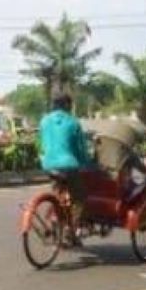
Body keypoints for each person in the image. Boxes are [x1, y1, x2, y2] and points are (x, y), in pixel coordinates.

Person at [38, 92, 90, 245]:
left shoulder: (44, 121)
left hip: (48, 164)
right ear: (68, 105)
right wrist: (86, 163)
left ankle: (55, 217)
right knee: (80, 197)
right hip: (68, 165)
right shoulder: (73, 123)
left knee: (58, 193)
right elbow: (81, 150)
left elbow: (41, 144)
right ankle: (71, 229)